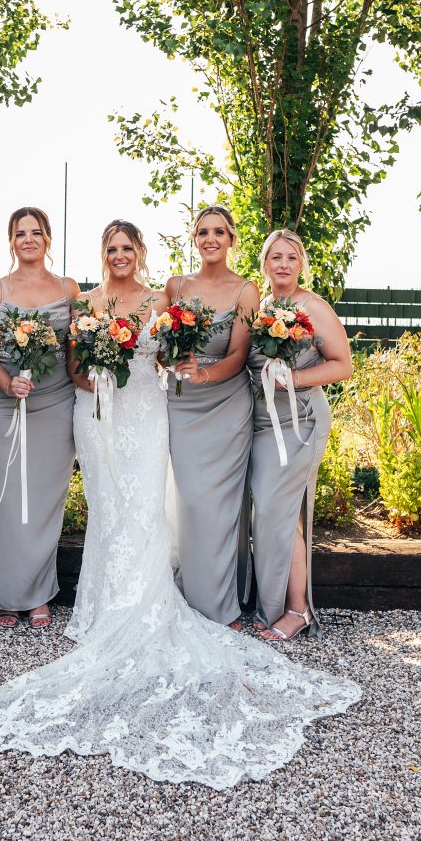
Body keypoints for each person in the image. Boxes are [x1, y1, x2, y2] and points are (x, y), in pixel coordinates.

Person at [0, 220, 360, 787]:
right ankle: (101, 602)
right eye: (112, 248)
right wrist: (90, 373)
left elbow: (177, 353)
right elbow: (73, 367)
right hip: (97, 416)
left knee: (144, 506)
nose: (120, 255)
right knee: (106, 507)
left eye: (128, 247)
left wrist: (176, 369)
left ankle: (165, 599)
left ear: (140, 251)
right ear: (103, 254)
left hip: (148, 413)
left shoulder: (160, 298)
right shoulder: (85, 299)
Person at [0, 207, 79, 629]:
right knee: (3, 497)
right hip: (5, 402)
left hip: (56, 402)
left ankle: (37, 593)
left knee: (43, 500)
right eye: (21, 234)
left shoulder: (69, 288)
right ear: (11, 241)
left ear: (48, 238)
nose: (29, 240)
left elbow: (77, 348)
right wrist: (6, 382)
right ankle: (5, 594)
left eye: (36, 232)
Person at [249, 230, 352, 642]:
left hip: (301, 422)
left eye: (292, 257)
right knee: (272, 515)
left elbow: (342, 365)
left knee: (282, 513)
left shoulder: (314, 307)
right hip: (260, 426)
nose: (284, 264)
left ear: (301, 263)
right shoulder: (262, 307)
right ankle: (275, 603)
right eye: (276, 257)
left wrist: (294, 377)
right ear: (265, 264)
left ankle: (297, 610)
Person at [164, 206, 259, 629]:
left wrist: (205, 373)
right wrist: (176, 358)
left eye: (219, 232)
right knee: (191, 503)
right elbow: (162, 346)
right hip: (182, 405)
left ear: (232, 239)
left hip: (226, 405)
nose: (211, 239)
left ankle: (221, 604)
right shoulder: (176, 286)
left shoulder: (246, 291)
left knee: (220, 506)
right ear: (194, 238)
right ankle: (192, 595)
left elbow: (238, 356)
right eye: (203, 232)